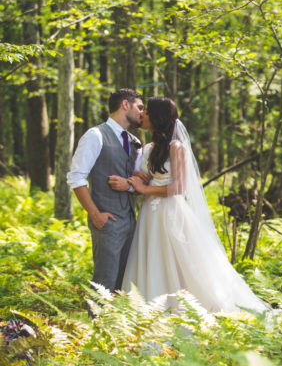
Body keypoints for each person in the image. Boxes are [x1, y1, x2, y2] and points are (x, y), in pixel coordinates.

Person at [120, 97, 268, 315]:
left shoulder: (176, 147)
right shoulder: (149, 147)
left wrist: (144, 190)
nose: (143, 115)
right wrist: (140, 177)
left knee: (182, 261)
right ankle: (150, 310)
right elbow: (155, 177)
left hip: (170, 211)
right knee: (153, 258)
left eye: (148, 112)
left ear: (159, 118)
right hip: (149, 215)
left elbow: (178, 187)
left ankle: (187, 307)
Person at [67, 89, 145, 301]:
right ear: (125, 105)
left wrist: (129, 186)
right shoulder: (95, 135)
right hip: (107, 220)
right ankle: (97, 328)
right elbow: (76, 177)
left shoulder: (134, 141)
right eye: (139, 107)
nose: (142, 113)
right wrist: (95, 214)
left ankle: (116, 330)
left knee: (124, 283)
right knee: (104, 281)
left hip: (131, 220)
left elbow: (139, 181)